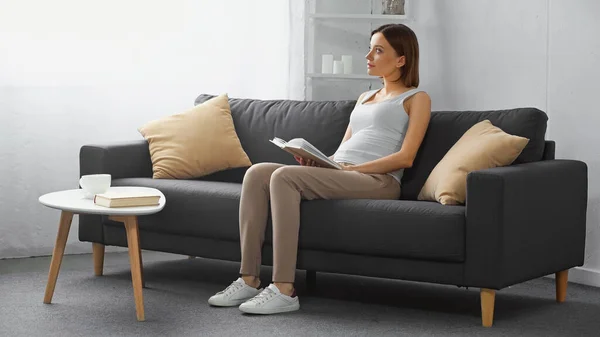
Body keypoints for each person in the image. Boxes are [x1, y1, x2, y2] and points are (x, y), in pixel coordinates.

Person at [208, 23, 431, 314]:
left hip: (379, 180)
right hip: (345, 172)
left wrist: (354, 170)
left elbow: (406, 157)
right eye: (370, 48)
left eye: (378, 50)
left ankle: (284, 289)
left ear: (401, 59)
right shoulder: (364, 98)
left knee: (285, 177)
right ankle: (249, 278)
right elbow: (343, 149)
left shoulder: (417, 98)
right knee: (258, 172)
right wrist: (319, 162)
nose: (368, 56)